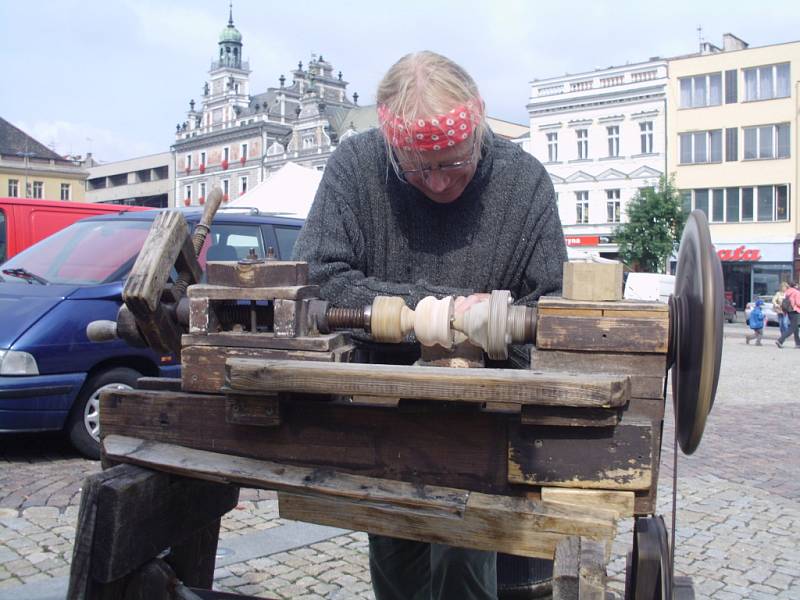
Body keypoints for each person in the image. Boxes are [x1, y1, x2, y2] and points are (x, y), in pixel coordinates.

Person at [294, 51, 567, 600]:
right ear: (393, 148)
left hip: (485, 425)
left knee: (468, 568)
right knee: (396, 564)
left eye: (453, 162)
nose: (439, 182)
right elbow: (317, 279)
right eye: (419, 167)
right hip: (384, 418)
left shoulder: (524, 182)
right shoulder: (357, 165)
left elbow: (554, 312)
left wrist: (491, 337)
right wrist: (435, 313)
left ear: (478, 131)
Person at [776, 281, 800, 348]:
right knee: (792, 328)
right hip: (795, 311)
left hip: (789, 311)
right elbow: (798, 303)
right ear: (795, 286)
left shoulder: (787, 292)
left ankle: (798, 343)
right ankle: (780, 340)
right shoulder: (797, 292)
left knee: (796, 328)